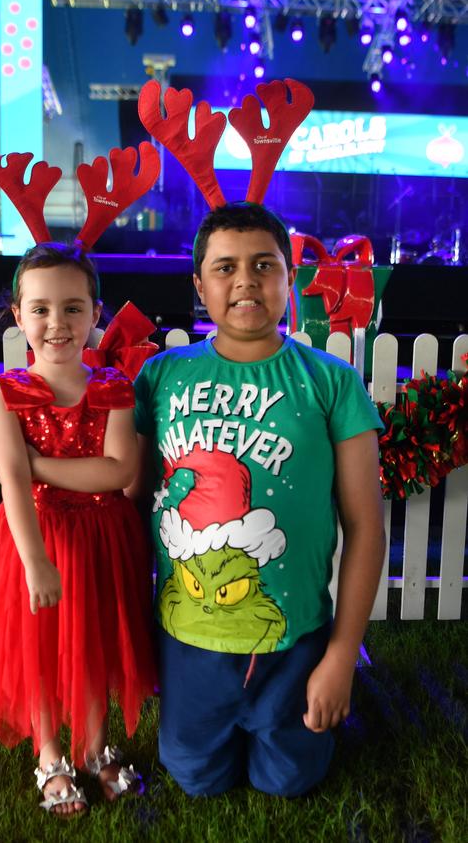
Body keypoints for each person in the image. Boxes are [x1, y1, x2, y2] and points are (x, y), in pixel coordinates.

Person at [131, 202, 385, 798]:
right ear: (199, 286)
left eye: (263, 264)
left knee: (290, 781)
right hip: (188, 635)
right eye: (224, 268)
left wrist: (342, 656)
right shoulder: (161, 376)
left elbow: (365, 526)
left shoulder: (331, 381)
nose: (244, 280)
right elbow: (129, 493)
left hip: (293, 640)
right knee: (195, 778)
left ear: (287, 277)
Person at [0, 243, 157, 816]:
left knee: (95, 640)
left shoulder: (115, 387)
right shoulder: (8, 393)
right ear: (18, 316)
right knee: (41, 647)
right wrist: (35, 561)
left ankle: (94, 748)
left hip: (104, 535)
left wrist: (30, 462)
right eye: (41, 309)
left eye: (73, 308)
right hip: (37, 538)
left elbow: (120, 471)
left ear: (96, 313)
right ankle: (50, 752)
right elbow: (11, 487)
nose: (57, 323)